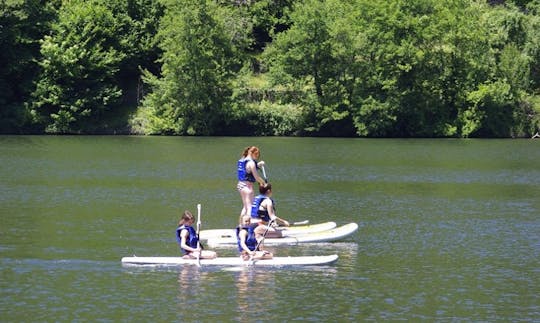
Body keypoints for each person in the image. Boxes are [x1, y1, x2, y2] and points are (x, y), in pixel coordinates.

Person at [237, 146, 267, 222]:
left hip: (240, 185)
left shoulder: (242, 160)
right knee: (250, 207)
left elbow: (249, 168)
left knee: (245, 207)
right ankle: (248, 226)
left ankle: (241, 224)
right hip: (247, 187)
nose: (257, 157)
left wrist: (260, 164)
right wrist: (264, 183)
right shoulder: (251, 162)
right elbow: (256, 177)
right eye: (256, 155)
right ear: (251, 153)